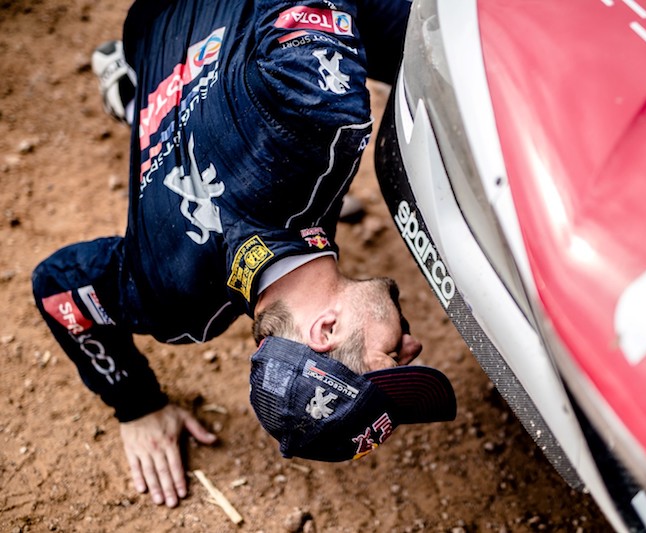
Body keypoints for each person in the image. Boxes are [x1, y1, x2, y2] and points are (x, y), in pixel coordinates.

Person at [31, 0, 456, 510]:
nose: (412, 345)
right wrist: (136, 406)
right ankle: (140, 96)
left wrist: (136, 403)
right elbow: (61, 288)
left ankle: (137, 91)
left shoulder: (316, 118)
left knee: (455, 43)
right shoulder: (174, 302)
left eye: (391, 357)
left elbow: (58, 289)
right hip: (152, 33)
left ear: (325, 330)